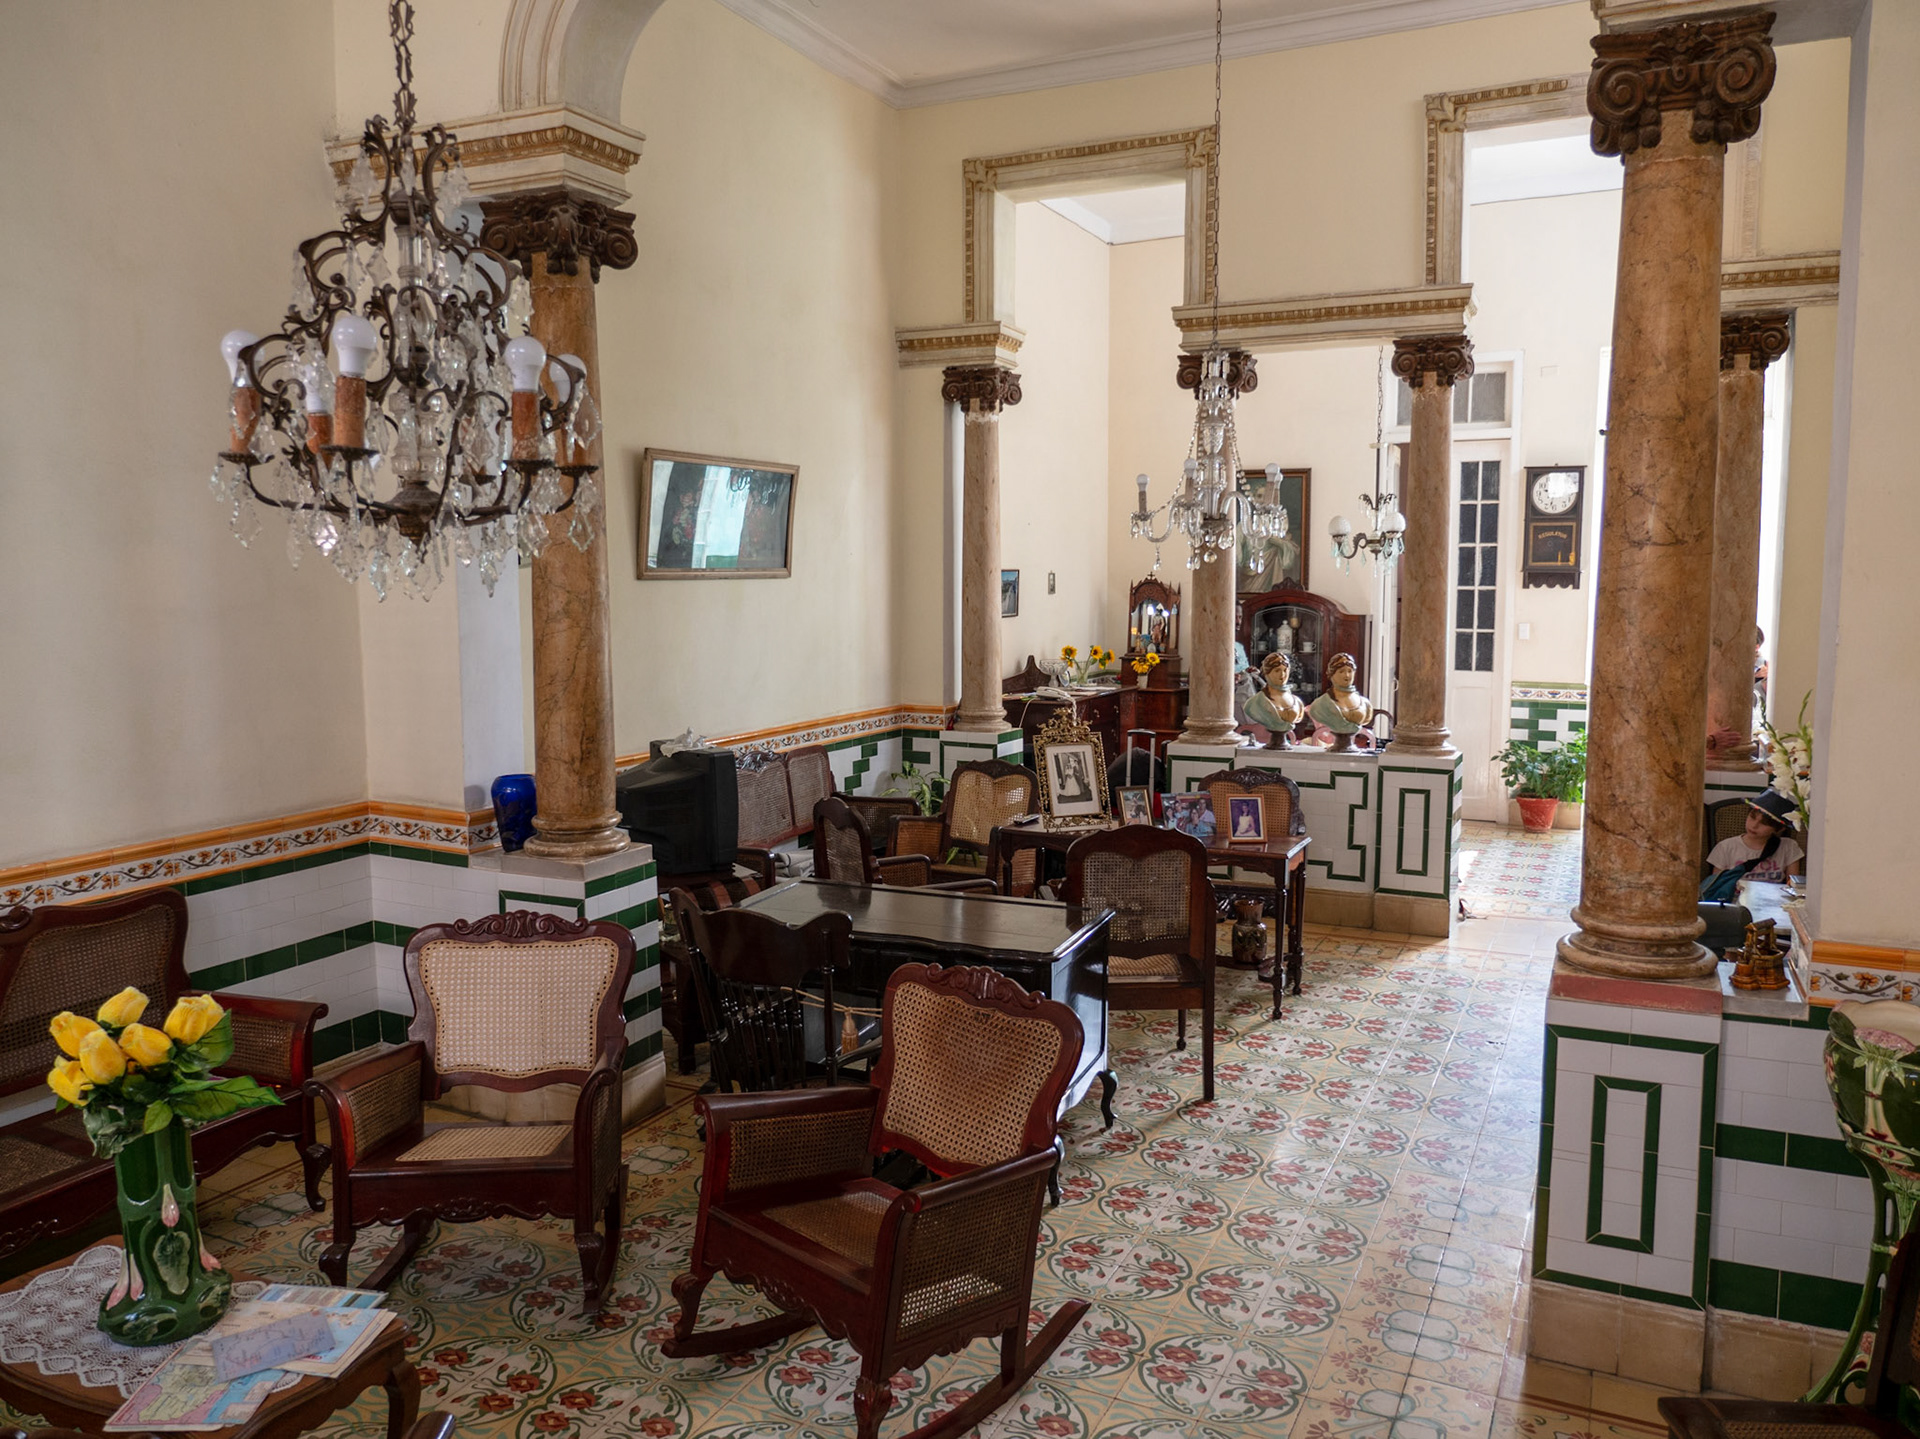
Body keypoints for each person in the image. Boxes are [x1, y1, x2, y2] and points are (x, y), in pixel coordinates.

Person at [1702, 790, 1804, 896]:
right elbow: (1716, 886)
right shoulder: (1725, 847)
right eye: (1752, 817)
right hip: (1734, 902)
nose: (1754, 825)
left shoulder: (1788, 847)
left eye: (1764, 823)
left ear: (1779, 829)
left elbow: (1793, 886)